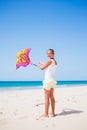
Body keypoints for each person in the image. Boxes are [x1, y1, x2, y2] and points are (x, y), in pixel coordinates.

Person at [38, 49, 57, 117]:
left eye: (49, 53)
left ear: (53, 54)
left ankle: (46, 114)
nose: (48, 55)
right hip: (52, 80)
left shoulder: (49, 61)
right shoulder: (54, 61)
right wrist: (42, 63)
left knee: (46, 97)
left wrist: (38, 66)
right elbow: (49, 66)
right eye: (47, 53)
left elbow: (42, 68)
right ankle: (53, 113)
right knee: (51, 97)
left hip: (48, 80)